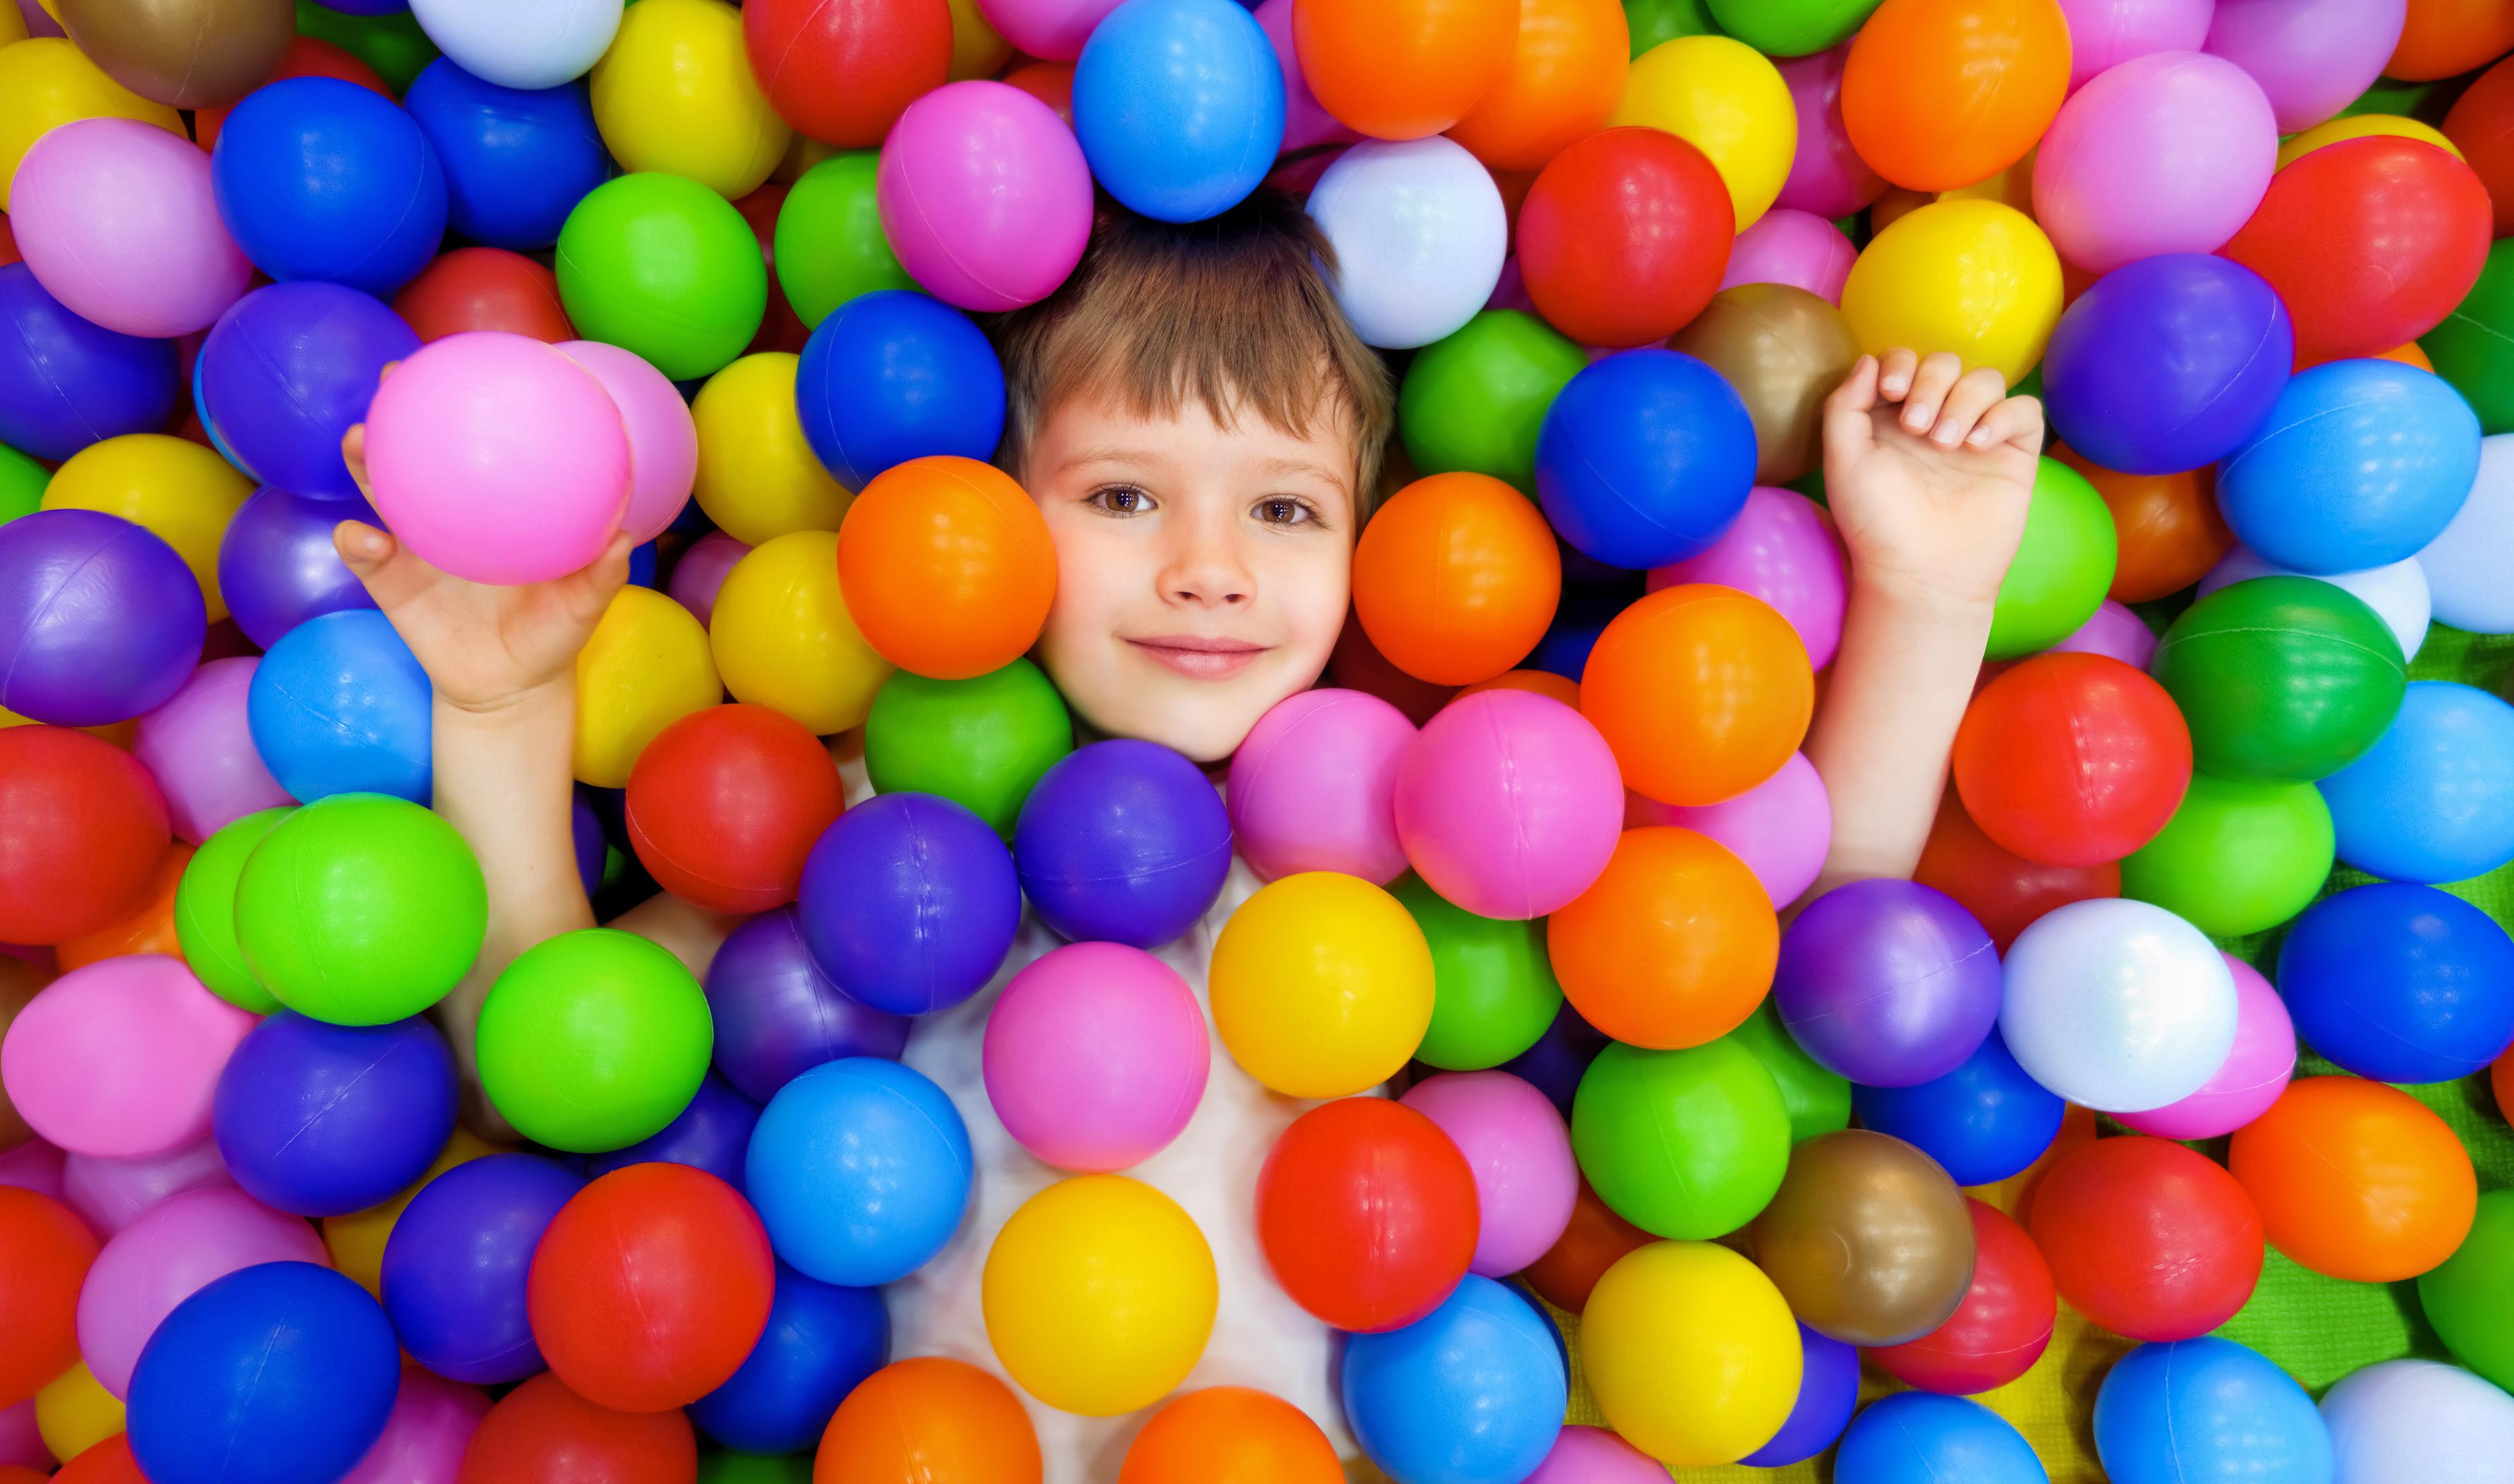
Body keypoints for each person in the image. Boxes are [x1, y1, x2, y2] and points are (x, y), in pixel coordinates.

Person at [331, 187, 2043, 1474]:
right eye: (1125, 495)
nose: (1206, 566)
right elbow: (544, 1058)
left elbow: (1803, 951)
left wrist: (1927, 593)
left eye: (1284, 508)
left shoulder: (1416, 836)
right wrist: (497, 715)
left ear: (1375, 543)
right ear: (993, 521)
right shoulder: (885, 843)